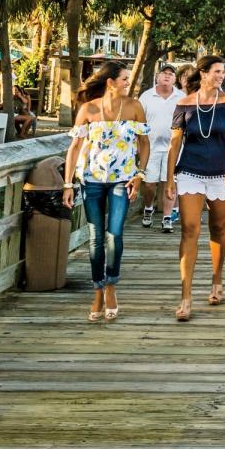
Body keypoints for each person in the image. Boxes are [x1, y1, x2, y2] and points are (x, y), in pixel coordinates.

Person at [62, 62, 150, 322]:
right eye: (124, 78)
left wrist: (140, 174)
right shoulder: (88, 109)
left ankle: (111, 285)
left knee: (115, 234)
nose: (127, 82)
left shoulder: (134, 107)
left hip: (122, 180)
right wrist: (68, 184)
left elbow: (144, 143)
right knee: (95, 237)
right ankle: (98, 289)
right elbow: (75, 147)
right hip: (92, 180)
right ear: (110, 82)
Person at [166, 55, 225, 321]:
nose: (221, 75)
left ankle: (217, 278)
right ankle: (185, 296)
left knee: (218, 227)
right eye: (217, 71)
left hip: (223, 172)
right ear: (202, 73)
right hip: (190, 171)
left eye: (223, 71)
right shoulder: (184, 104)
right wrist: (169, 179)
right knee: (189, 228)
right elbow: (175, 144)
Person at [139, 64, 184, 231]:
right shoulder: (146, 96)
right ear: (157, 76)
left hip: (173, 147)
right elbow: (139, 122)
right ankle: (148, 208)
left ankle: (167, 217)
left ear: (175, 79)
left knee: (169, 182)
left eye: (171, 74)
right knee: (149, 184)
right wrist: (139, 146)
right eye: (164, 73)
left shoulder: (181, 96)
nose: (167, 76)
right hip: (150, 147)